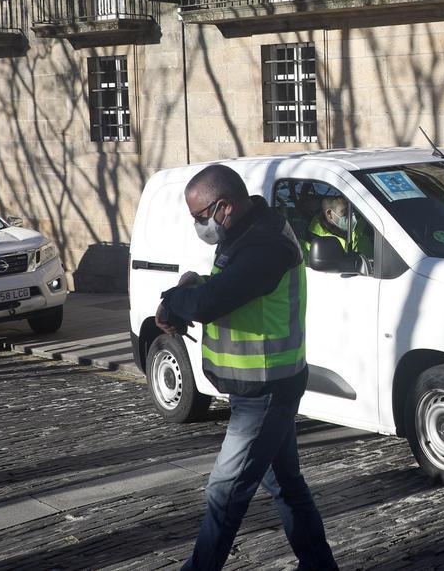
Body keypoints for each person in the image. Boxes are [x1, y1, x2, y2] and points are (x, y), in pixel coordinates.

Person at [155, 164, 337, 571]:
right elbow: (230, 290)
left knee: (225, 493)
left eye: (200, 216)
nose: (198, 225)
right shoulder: (247, 234)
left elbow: (214, 301)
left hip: (265, 391)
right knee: (286, 486)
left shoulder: (265, 245)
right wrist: (192, 284)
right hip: (261, 387)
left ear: (224, 207)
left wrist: (174, 300)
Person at [305, 196, 373, 257]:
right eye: (345, 211)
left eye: (352, 209)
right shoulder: (314, 244)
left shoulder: (365, 227)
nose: (352, 215)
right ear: (329, 214)